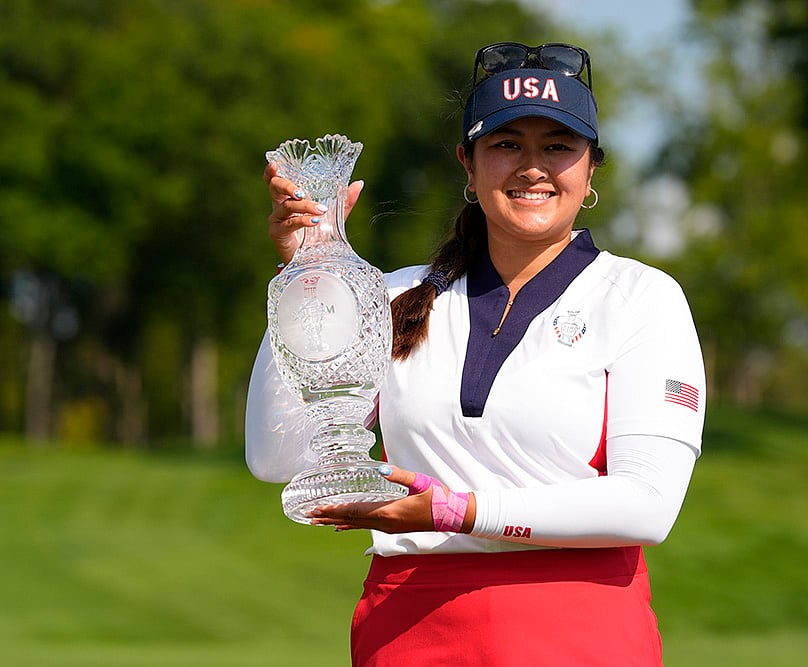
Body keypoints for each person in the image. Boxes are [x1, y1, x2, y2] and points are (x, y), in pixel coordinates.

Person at [246, 41, 706, 666]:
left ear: (592, 167)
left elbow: (647, 506)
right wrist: (308, 274)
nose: (533, 167)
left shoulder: (640, 296)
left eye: (559, 146)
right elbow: (278, 456)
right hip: (408, 627)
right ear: (468, 163)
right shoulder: (392, 294)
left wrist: (457, 510)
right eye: (507, 144)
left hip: (582, 629)